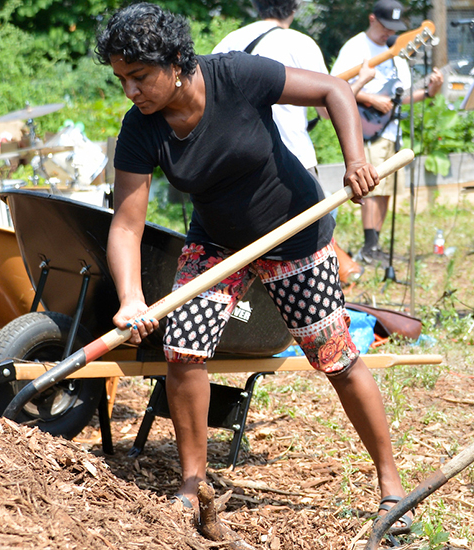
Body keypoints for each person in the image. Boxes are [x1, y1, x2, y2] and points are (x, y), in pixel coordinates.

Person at [94, 3, 408, 540]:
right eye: (121, 79)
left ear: (175, 61)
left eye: (139, 77)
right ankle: (193, 484)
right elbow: (126, 226)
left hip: (292, 231)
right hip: (216, 241)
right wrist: (130, 298)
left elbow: (334, 89)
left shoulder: (234, 74)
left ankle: (392, 485)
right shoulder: (140, 129)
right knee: (184, 349)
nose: (131, 92)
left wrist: (355, 159)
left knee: (334, 355)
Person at [211, 0, 377, 283]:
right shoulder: (299, 43)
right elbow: (327, 109)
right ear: (294, 8)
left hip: (234, 167)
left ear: (256, 6)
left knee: (242, 258)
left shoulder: (228, 41)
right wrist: (360, 82)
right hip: (292, 164)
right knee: (306, 259)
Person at [330, 0, 443, 265]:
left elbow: (397, 96)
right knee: (371, 188)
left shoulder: (396, 49)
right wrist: (369, 98)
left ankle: (376, 245)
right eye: (384, 26)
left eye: (393, 27)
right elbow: (335, 87)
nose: (387, 32)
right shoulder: (356, 46)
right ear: (371, 19)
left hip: (390, 129)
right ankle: (369, 247)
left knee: (387, 188)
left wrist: (428, 92)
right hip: (366, 128)